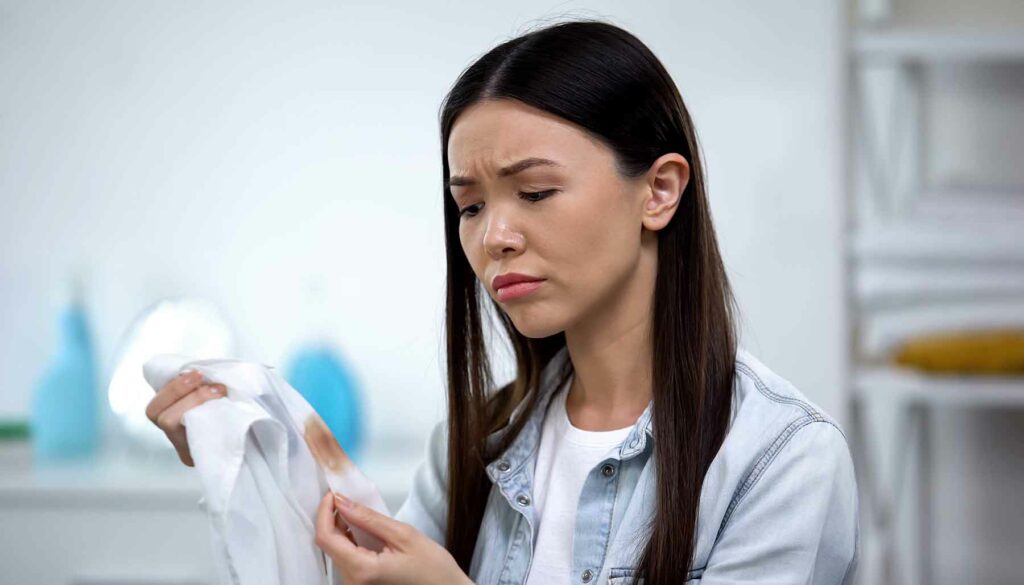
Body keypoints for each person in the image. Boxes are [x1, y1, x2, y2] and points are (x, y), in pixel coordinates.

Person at [147, 18, 859, 585]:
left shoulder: (782, 460)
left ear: (660, 190)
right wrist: (245, 458)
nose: (495, 237)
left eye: (536, 192)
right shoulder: (481, 440)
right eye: (470, 205)